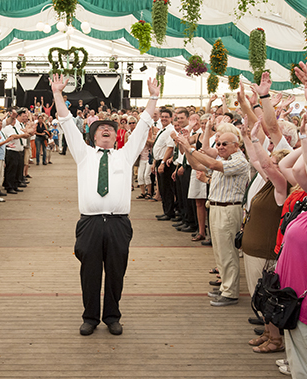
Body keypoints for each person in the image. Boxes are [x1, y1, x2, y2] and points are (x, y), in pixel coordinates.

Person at [52, 74, 160, 336]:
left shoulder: (125, 155)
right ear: (92, 136)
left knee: (115, 273)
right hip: (89, 223)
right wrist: (57, 93)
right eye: (101, 127)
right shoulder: (83, 154)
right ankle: (90, 317)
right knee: (89, 273)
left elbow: (144, 125)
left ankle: (112, 316)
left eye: (110, 127)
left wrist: (153, 97)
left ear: (116, 135)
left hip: (117, 223)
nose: (106, 129)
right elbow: (66, 122)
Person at [177, 131, 250, 306]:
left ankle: (230, 292)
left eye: (224, 144)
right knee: (220, 251)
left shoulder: (239, 160)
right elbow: (197, 165)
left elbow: (212, 164)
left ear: (236, 145)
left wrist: (189, 147)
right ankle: (226, 286)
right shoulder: (224, 160)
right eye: (218, 144)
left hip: (229, 208)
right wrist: (187, 149)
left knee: (228, 252)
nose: (220, 147)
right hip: (217, 207)